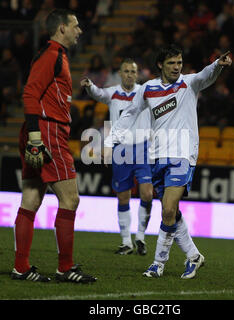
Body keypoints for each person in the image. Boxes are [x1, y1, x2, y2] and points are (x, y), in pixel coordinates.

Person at [104, 45, 231, 279]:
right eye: (172, 63)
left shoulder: (188, 83)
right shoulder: (148, 89)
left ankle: (158, 263)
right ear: (160, 65)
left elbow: (206, 75)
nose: (177, 67)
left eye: (180, 63)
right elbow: (130, 113)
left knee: (169, 208)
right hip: (157, 156)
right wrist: (111, 140)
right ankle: (194, 256)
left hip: (183, 155)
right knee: (170, 211)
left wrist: (217, 66)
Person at [11, 8, 96, 283]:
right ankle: (65, 267)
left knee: (31, 200)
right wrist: (36, 137)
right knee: (70, 199)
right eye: (76, 25)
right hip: (47, 131)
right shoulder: (52, 56)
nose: (79, 30)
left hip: (42, 130)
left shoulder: (54, 55)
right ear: (61, 28)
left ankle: (21, 267)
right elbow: (30, 94)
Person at [81, 58, 154, 256]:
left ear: (137, 75)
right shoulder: (113, 93)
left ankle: (140, 236)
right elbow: (98, 93)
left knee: (147, 193)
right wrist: (89, 86)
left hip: (142, 148)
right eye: (126, 71)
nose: (130, 74)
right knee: (123, 195)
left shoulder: (144, 92)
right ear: (120, 74)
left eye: (133, 71)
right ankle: (126, 242)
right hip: (120, 150)